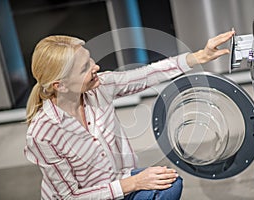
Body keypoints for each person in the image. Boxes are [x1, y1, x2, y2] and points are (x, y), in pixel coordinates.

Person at [25, 30, 234, 200]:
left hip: (117, 184)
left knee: (169, 184)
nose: (95, 67)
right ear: (59, 86)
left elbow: (146, 75)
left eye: (90, 60)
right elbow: (68, 197)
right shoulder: (43, 134)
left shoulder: (100, 88)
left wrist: (199, 56)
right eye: (84, 68)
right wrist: (134, 183)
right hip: (88, 196)